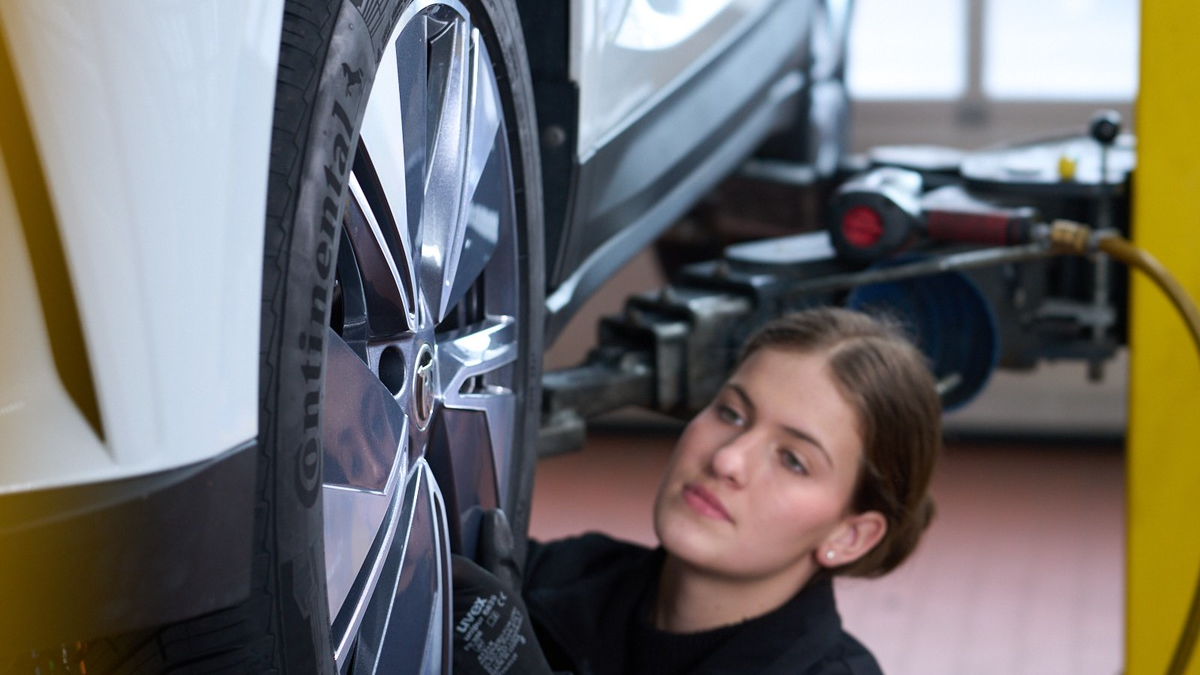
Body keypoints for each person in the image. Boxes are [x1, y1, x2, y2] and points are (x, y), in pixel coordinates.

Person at [452, 306, 943, 675]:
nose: (727, 459)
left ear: (851, 535)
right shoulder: (564, 577)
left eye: (793, 460)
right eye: (731, 413)